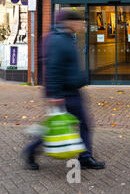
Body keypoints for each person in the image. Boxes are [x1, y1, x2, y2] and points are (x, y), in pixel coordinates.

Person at [22, 10, 105, 170]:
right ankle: (32, 150)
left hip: (71, 91)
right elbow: (53, 68)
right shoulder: (58, 40)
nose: (82, 25)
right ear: (70, 22)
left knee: (75, 124)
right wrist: (55, 94)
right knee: (64, 125)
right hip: (64, 94)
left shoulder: (65, 38)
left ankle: (85, 157)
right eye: (80, 22)